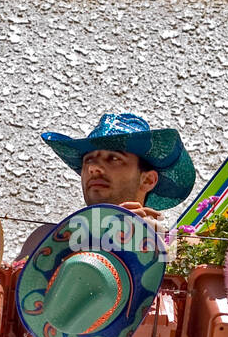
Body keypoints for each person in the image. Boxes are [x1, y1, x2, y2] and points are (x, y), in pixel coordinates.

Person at [14, 112, 196, 263]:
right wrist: (97, 234)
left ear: (148, 180)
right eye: (88, 160)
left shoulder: (174, 246)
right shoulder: (46, 237)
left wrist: (155, 247)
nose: (93, 168)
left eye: (114, 158)